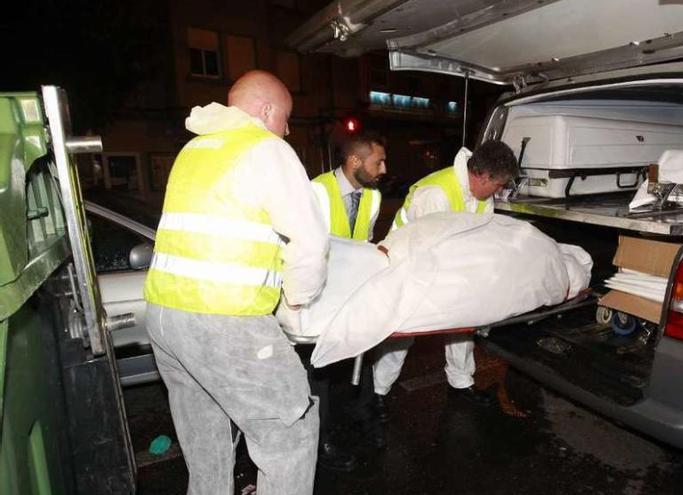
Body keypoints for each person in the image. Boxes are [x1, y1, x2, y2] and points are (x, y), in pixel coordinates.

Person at [143, 70, 328, 495]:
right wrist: (298, 303)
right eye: (286, 117)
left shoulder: (194, 149)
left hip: (166, 319)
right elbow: (309, 241)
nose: (287, 128)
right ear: (266, 111)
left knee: (206, 438)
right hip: (225, 322)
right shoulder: (266, 148)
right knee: (288, 434)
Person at [372, 139, 518, 416]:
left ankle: (461, 382)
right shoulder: (436, 193)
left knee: (463, 326)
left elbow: (479, 237)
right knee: (403, 332)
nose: (499, 191)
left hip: (450, 266)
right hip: (407, 264)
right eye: (498, 185)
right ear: (483, 175)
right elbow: (424, 246)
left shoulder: (482, 197)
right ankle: (379, 392)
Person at [304, 132, 386, 470]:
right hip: (318, 294)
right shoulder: (316, 191)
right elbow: (305, 248)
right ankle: (319, 443)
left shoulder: (373, 197)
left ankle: (364, 415)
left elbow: (363, 243)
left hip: (349, 294)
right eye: (378, 161)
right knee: (318, 368)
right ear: (354, 162)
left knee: (362, 354)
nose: (384, 168)